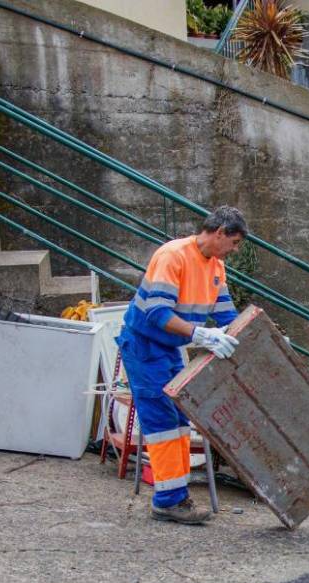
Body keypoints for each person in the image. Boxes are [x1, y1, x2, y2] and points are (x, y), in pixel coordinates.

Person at [120, 206, 244, 525]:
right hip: (145, 347)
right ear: (219, 233)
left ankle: (175, 496)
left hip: (170, 349)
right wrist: (200, 334)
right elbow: (157, 314)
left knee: (178, 420)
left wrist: (256, 337)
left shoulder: (216, 266)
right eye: (234, 242)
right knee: (162, 421)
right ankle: (168, 501)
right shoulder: (172, 255)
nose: (234, 250)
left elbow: (228, 316)